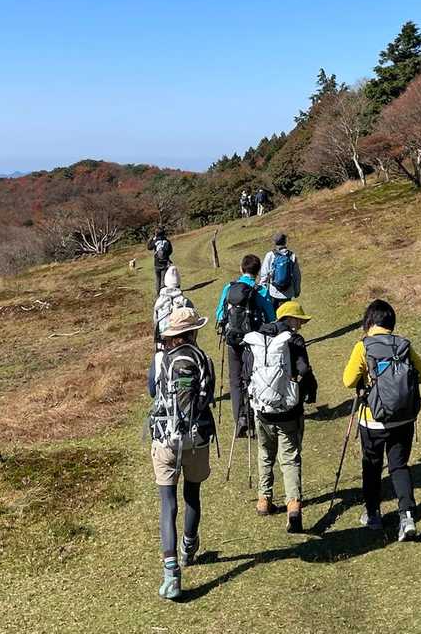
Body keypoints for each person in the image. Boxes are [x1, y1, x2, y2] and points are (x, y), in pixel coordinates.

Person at [342, 298, 421, 542]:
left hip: (372, 420)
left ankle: (373, 515)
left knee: (372, 466)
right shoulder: (403, 344)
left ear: (368, 322)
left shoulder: (363, 346)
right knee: (399, 466)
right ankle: (407, 516)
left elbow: (348, 381)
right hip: (404, 418)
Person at [147, 305, 217, 601]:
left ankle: (171, 574)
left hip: (166, 438)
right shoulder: (203, 359)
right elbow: (207, 396)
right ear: (193, 332)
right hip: (196, 438)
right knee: (192, 494)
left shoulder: (160, 358)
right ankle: (189, 547)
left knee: (168, 503)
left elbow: (153, 391)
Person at [241, 299, 318, 532]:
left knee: (265, 453)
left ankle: (264, 500)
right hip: (289, 411)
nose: (301, 325)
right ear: (290, 320)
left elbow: (246, 373)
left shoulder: (258, 339)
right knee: (290, 458)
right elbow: (303, 370)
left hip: (262, 410)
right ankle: (293, 507)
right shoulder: (294, 340)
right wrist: (307, 390)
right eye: (299, 321)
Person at [214, 254, 277, 438]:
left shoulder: (229, 287)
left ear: (241, 269)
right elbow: (271, 317)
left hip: (233, 340)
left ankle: (239, 420)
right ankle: (255, 418)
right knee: (252, 378)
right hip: (253, 341)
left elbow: (219, 314)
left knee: (235, 380)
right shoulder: (260, 291)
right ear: (258, 272)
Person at [152, 266, 191, 345]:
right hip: (183, 339)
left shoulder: (159, 302)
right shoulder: (185, 301)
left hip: (163, 339)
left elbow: (155, 321)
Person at [261, 232, 301, 304]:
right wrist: (297, 290)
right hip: (288, 293)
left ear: (274, 242)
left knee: (273, 310)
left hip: (273, 292)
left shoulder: (270, 255)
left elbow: (264, 275)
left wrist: (262, 290)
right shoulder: (292, 255)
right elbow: (297, 276)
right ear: (285, 242)